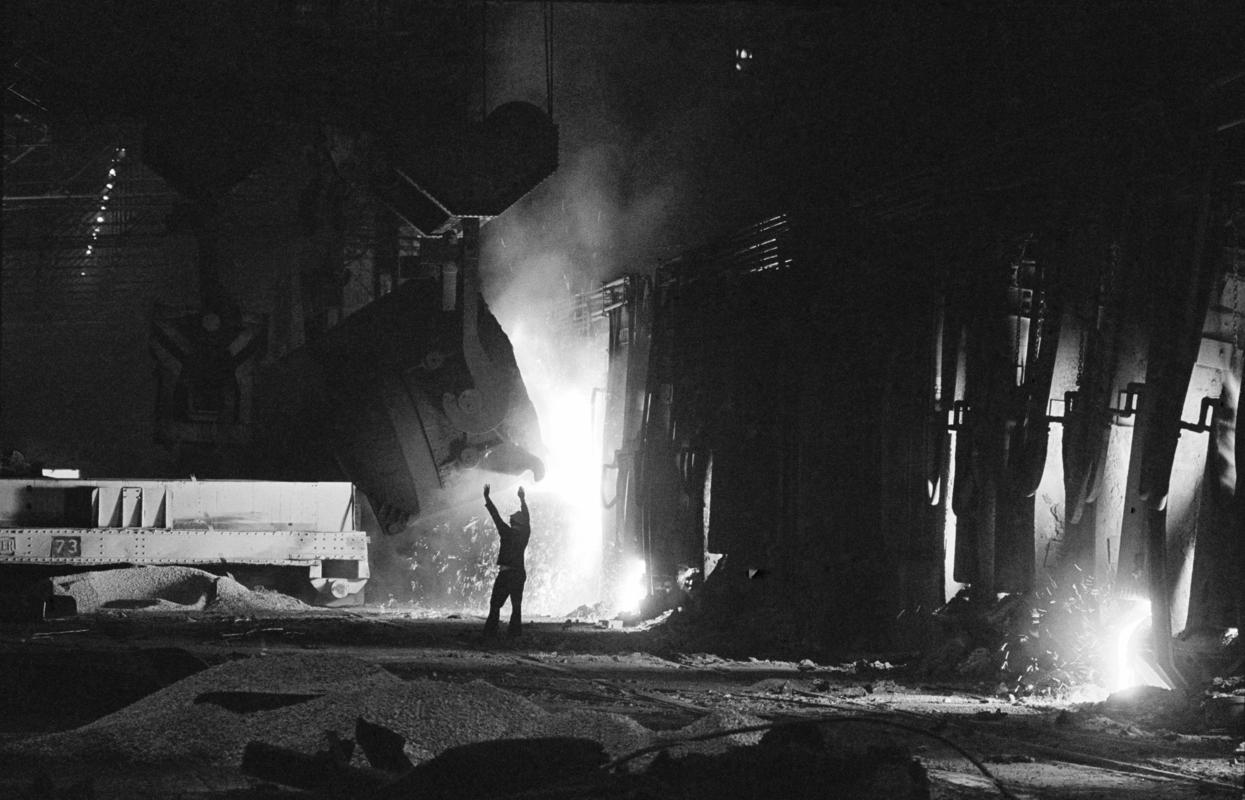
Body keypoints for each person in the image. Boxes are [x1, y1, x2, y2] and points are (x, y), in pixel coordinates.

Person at [482, 483, 530, 638]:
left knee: (495, 604)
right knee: (517, 606)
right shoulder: (524, 535)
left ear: (513, 522)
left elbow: (495, 516)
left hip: (506, 574)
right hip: (519, 574)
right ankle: (515, 633)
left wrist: (487, 498)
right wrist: (522, 500)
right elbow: (527, 518)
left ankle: (491, 631)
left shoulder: (506, 532)